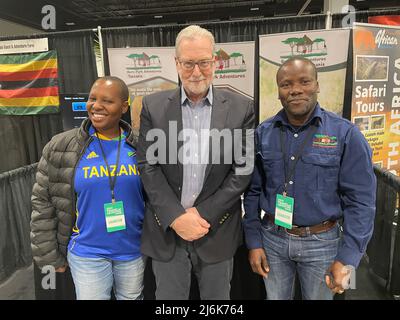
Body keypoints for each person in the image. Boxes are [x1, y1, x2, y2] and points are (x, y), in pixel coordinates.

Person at [137, 25, 255, 300]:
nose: (196, 71)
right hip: (167, 231)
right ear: (177, 63)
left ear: (214, 61)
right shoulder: (153, 107)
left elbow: (244, 169)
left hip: (217, 230)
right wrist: (176, 217)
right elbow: (147, 166)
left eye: (203, 62)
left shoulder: (241, 108)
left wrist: (202, 215)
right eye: (188, 63)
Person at [243, 57, 376, 300]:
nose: (295, 90)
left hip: (323, 243)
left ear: (316, 85)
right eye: (286, 84)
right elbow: (252, 192)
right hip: (272, 238)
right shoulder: (263, 133)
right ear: (278, 91)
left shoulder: (346, 134)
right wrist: (254, 241)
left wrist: (348, 257)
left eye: (304, 81)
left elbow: (361, 202)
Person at [31, 76, 146, 300]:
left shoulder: (142, 145)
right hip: (87, 253)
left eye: (107, 101)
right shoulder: (60, 146)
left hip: (133, 251)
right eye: (92, 98)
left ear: (124, 107)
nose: (97, 106)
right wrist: (48, 256)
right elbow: (42, 203)